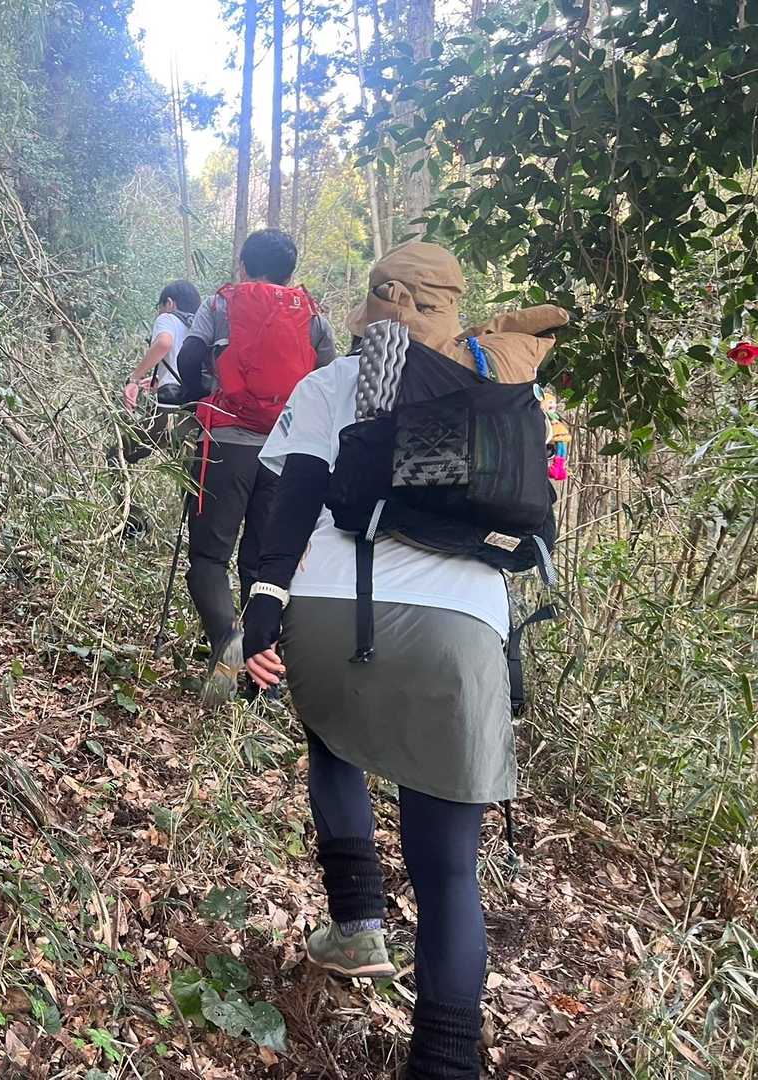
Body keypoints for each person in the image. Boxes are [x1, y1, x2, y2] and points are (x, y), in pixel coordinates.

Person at [240, 242, 566, 1079]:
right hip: (458, 630)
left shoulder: (331, 385)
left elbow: (288, 508)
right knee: (449, 872)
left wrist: (262, 609)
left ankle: (356, 925)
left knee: (333, 738)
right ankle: (444, 1064)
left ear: (371, 309)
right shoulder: (504, 392)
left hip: (330, 609)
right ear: (453, 306)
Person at [170, 229, 337, 707]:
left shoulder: (220, 303)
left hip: (225, 443)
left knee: (208, 558)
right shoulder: (313, 315)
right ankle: (263, 684)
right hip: (286, 455)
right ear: (290, 271)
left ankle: (228, 641)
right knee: (264, 567)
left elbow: (190, 354)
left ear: (243, 265)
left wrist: (195, 394)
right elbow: (327, 378)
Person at [114, 280, 201, 465]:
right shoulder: (200, 327)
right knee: (189, 471)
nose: (159, 312)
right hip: (196, 411)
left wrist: (134, 379)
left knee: (119, 454)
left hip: (171, 410)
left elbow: (164, 343)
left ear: (169, 303)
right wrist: (160, 380)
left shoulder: (168, 318)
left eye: (159, 307)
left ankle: (118, 480)